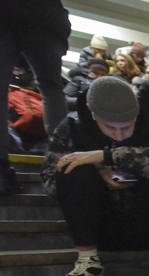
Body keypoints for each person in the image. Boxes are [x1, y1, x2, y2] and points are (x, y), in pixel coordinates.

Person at [41, 76, 149, 276]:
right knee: (72, 169)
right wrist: (97, 175)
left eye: (126, 128)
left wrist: (106, 156)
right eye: (110, 128)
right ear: (91, 111)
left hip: (147, 222)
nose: (119, 135)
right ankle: (88, 261)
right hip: (98, 224)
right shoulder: (70, 128)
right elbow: (52, 180)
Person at [0, 0, 70, 194]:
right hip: (44, 16)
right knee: (51, 87)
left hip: (5, 14)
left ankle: (1, 169)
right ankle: (62, 160)